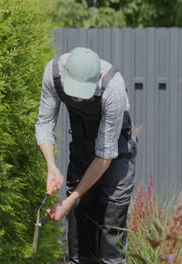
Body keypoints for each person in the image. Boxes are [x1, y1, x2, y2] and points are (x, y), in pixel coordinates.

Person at [35, 47, 138, 264]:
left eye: (82, 92)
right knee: (81, 225)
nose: (75, 97)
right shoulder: (53, 73)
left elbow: (105, 154)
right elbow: (44, 124)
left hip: (115, 151)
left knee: (111, 223)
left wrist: (69, 201)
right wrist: (51, 166)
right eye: (72, 89)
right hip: (82, 147)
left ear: (97, 77)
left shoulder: (113, 87)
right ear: (64, 72)